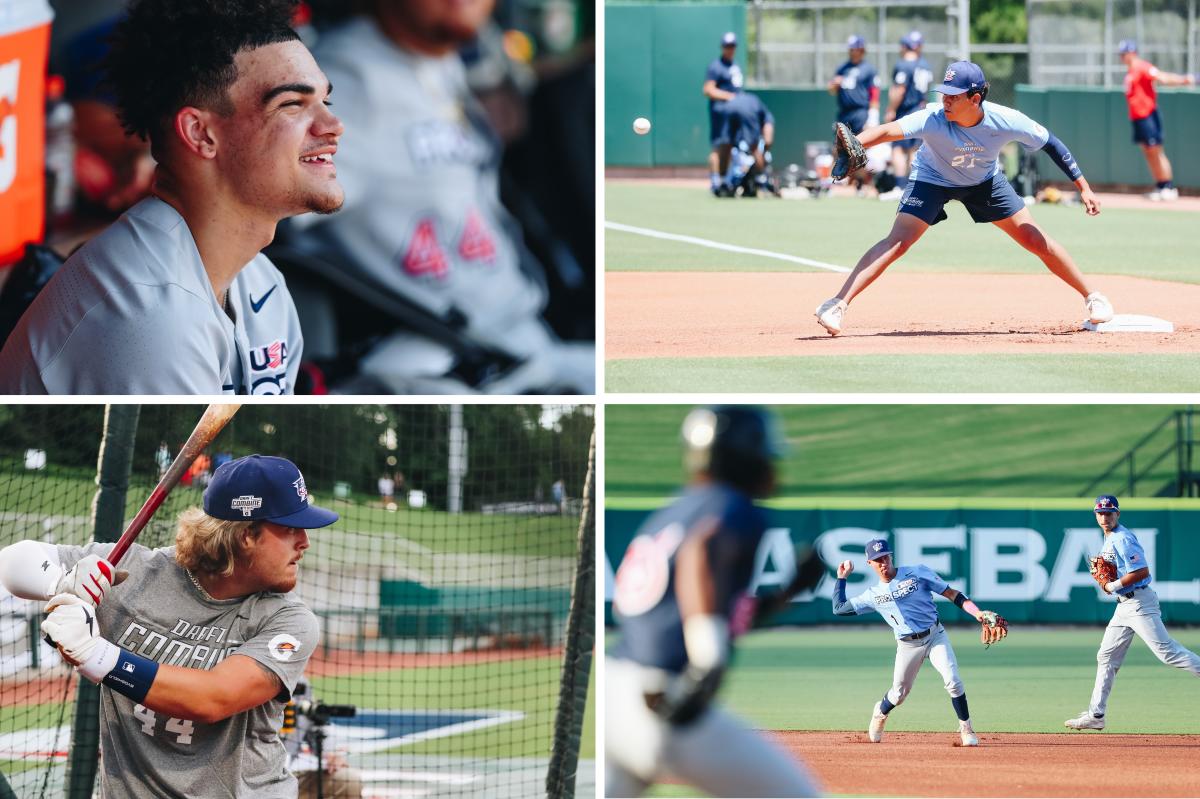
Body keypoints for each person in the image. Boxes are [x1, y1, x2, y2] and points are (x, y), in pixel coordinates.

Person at [0, 0, 343, 394]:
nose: (334, 125)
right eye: (291, 105)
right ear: (200, 134)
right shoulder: (144, 315)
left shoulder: (260, 281)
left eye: (324, 101)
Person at [289, 0, 594, 394]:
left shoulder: (440, 60)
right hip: (452, 363)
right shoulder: (345, 82)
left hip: (525, 344)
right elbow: (258, 214)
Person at [0, 454, 339, 797]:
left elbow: (213, 699)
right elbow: (11, 561)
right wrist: (62, 582)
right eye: (290, 528)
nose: (304, 542)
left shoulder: (288, 619)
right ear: (247, 535)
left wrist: (96, 656)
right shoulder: (135, 572)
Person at [605, 406, 821, 798]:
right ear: (743, 456)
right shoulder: (731, 505)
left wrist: (786, 594)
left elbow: (691, 611)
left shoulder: (674, 510)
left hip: (613, 692)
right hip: (662, 699)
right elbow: (702, 551)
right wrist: (708, 660)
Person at [814, 61, 1114, 336]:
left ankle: (1094, 297)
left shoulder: (1007, 120)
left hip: (983, 182)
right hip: (932, 179)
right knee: (898, 241)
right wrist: (851, 145)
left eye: (954, 96)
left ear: (975, 98)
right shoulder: (933, 117)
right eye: (944, 93)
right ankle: (837, 304)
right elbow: (890, 130)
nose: (945, 100)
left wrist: (1083, 187)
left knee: (1034, 239)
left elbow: (1053, 144)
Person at [834, 538, 1002, 746]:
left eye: (885, 556)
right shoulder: (872, 595)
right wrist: (842, 578)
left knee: (953, 681)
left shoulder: (918, 572)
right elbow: (839, 608)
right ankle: (880, 712)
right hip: (907, 646)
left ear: (891, 556)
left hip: (935, 636)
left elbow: (952, 594)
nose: (883, 562)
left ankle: (966, 728)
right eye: (878, 560)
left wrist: (976, 613)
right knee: (899, 694)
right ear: (870, 564)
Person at [1064, 495, 1200, 731]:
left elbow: (1141, 571)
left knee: (1167, 653)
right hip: (1124, 607)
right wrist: (1112, 585)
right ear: (1096, 515)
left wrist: (1111, 585)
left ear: (1118, 514)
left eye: (1109, 512)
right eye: (1100, 512)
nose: (1105, 516)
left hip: (1139, 603)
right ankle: (1096, 715)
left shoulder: (1123, 538)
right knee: (1106, 657)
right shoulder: (1109, 539)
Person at [1117, 39, 1196, 201]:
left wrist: (1186, 79)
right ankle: (1160, 186)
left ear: (1133, 53)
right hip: (1138, 117)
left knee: (1156, 151)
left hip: (1148, 115)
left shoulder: (1142, 67)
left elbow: (1163, 78)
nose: (1122, 57)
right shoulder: (1131, 71)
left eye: (1124, 54)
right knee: (1148, 152)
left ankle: (1168, 187)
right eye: (1121, 54)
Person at [880, 31, 933, 199]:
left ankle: (900, 186)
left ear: (904, 46)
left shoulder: (903, 65)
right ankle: (914, 187)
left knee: (897, 149)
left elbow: (900, 90)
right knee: (914, 150)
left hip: (906, 111)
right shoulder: (924, 65)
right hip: (920, 109)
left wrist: (891, 109)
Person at [828, 35, 879, 193]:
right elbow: (831, 90)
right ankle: (840, 182)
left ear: (861, 50)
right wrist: (834, 85)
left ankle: (866, 183)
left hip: (861, 112)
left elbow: (874, 93)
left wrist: (873, 115)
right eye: (850, 49)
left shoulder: (868, 69)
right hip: (845, 113)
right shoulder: (843, 68)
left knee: (861, 149)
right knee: (838, 148)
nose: (851, 52)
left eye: (854, 48)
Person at [702, 32, 744, 196]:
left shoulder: (735, 65)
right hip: (720, 112)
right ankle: (715, 182)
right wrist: (729, 97)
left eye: (732, 46)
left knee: (730, 146)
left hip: (734, 113)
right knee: (718, 147)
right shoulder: (716, 66)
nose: (730, 49)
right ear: (722, 47)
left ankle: (726, 181)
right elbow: (708, 89)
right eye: (727, 46)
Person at [720, 90, 778, 197]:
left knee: (725, 145)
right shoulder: (764, 115)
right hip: (744, 109)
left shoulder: (746, 101)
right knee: (755, 148)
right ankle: (760, 180)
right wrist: (764, 155)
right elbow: (768, 139)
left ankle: (722, 182)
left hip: (727, 107)